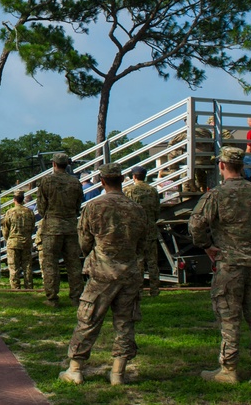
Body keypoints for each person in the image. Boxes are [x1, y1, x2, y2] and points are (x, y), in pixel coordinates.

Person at [189, 146, 251, 384]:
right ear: (242, 166)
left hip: (230, 265)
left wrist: (207, 246)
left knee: (229, 318)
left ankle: (229, 369)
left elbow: (196, 225)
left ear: (221, 165)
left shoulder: (216, 195)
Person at [59, 163, 147, 386]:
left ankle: (76, 368)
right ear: (123, 179)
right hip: (129, 273)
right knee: (125, 324)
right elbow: (142, 244)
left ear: (102, 181)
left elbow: (85, 242)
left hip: (102, 272)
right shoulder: (137, 209)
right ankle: (118, 372)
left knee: (88, 320)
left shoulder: (94, 207)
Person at [36, 153, 84, 307]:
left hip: (52, 227)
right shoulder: (75, 182)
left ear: (53, 164)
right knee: (74, 264)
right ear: (67, 164)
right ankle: (76, 297)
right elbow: (78, 205)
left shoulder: (46, 181)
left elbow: (41, 206)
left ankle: (52, 298)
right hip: (70, 227)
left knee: (50, 264)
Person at [124, 165, 161, 296]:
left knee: (138, 261)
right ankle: (155, 289)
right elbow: (157, 209)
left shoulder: (128, 191)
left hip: (136, 230)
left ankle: (138, 290)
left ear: (133, 176)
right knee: (152, 261)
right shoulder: (152, 190)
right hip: (150, 228)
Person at [1, 190, 35, 289]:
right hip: (26, 241)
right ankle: (29, 285)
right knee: (27, 265)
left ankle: (15, 286)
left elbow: (5, 229)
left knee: (13, 266)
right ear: (23, 199)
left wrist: (8, 239)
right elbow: (32, 227)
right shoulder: (29, 212)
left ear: (14, 200)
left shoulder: (10, 212)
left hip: (13, 242)